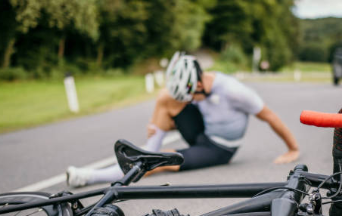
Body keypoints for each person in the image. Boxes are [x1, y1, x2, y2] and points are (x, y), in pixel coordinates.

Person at [67, 52, 299, 187]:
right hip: (202, 132)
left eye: (191, 97)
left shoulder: (233, 91)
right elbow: (180, 104)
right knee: (164, 98)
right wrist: (158, 124)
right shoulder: (194, 88)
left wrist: (292, 149)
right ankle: (150, 149)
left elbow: (270, 116)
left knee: (159, 163)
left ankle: (90, 177)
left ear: (199, 83)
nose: (190, 100)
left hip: (219, 148)